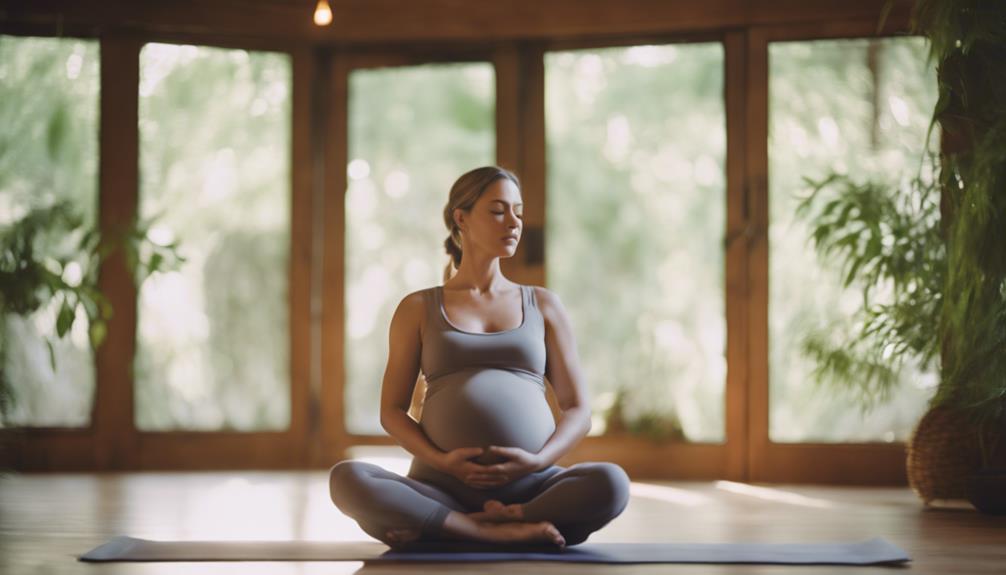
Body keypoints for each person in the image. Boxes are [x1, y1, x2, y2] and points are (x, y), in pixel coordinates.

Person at [329, 166, 630, 549]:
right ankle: (487, 530)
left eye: (518, 212)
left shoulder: (543, 304)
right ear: (462, 217)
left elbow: (578, 409)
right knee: (347, 479)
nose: (514, 222)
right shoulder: (418, 307)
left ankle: (471, 526)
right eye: (498, 210)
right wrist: (443, 462)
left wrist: (537, 463)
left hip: (533, 488)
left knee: (612, 483)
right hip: (439, 486)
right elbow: (391, 410)